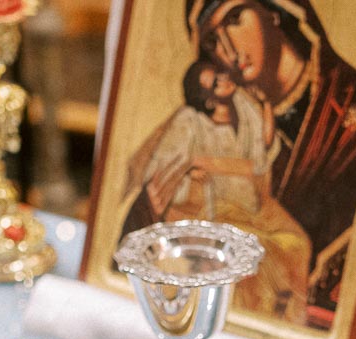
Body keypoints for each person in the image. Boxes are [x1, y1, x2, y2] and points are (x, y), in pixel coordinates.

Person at [189, 0, 356, 325]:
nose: (228, 48)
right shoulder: (237, 124)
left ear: (273, 12)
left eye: (235, 18)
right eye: (211, 40)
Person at [121, 59, 311, 324]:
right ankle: (244, 320)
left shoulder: (245, 111)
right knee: (256, 255)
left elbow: (259, 158)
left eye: (221, 75)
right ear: (207, 98)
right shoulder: (189, 121)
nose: (225, 80)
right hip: (212, 211)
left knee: (297, 243)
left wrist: (266, 106)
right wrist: (189, 171)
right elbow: (166, 165)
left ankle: (287, 322)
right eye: (215, 82)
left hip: (251, 204)